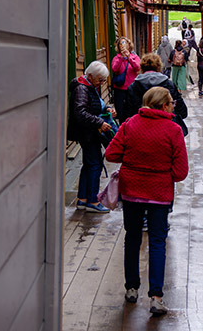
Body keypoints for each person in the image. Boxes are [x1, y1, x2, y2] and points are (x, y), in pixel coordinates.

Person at [105, 86, 189, 316]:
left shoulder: (130, 124)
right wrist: (160, 172)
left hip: (132, 191)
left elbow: (111, 154)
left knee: (132, 237)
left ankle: (131, 288)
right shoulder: (174, 131)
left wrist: (134, 160)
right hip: (160, 195)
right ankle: (155, 297)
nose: (173, 106)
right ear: (163, 106)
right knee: (157, 242)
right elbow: (181, 172)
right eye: (171, 102)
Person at [68, 61, 115, 213]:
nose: (101, 83)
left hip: (88, 131)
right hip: (87, 132)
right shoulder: (82, 88)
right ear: (90, 75)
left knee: (89, 164)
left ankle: (82, 199)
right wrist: (99, 122)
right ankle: (93, 201)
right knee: (95, 164)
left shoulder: (89, 85)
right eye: (100, 79)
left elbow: (95, 105)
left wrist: (107, 109)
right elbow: (80, 112)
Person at [125, 53, 188, 133]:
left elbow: (127, 114)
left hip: (141, 131)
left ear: (142, 68)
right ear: (159, 67)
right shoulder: (169, 85)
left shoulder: (133, 87)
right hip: (165, 131)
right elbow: (183, 111)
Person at [111, 37, 141, 123]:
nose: (122, 46)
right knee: (121, 111)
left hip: (132, 88)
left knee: (132, 110)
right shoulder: (116, 58)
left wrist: (129, 58)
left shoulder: (134, 57)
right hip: (119, 89)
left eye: (124, 43)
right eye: (120, 44)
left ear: (129, 45)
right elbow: (114, 69)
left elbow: (137, 68)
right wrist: (121, 58)